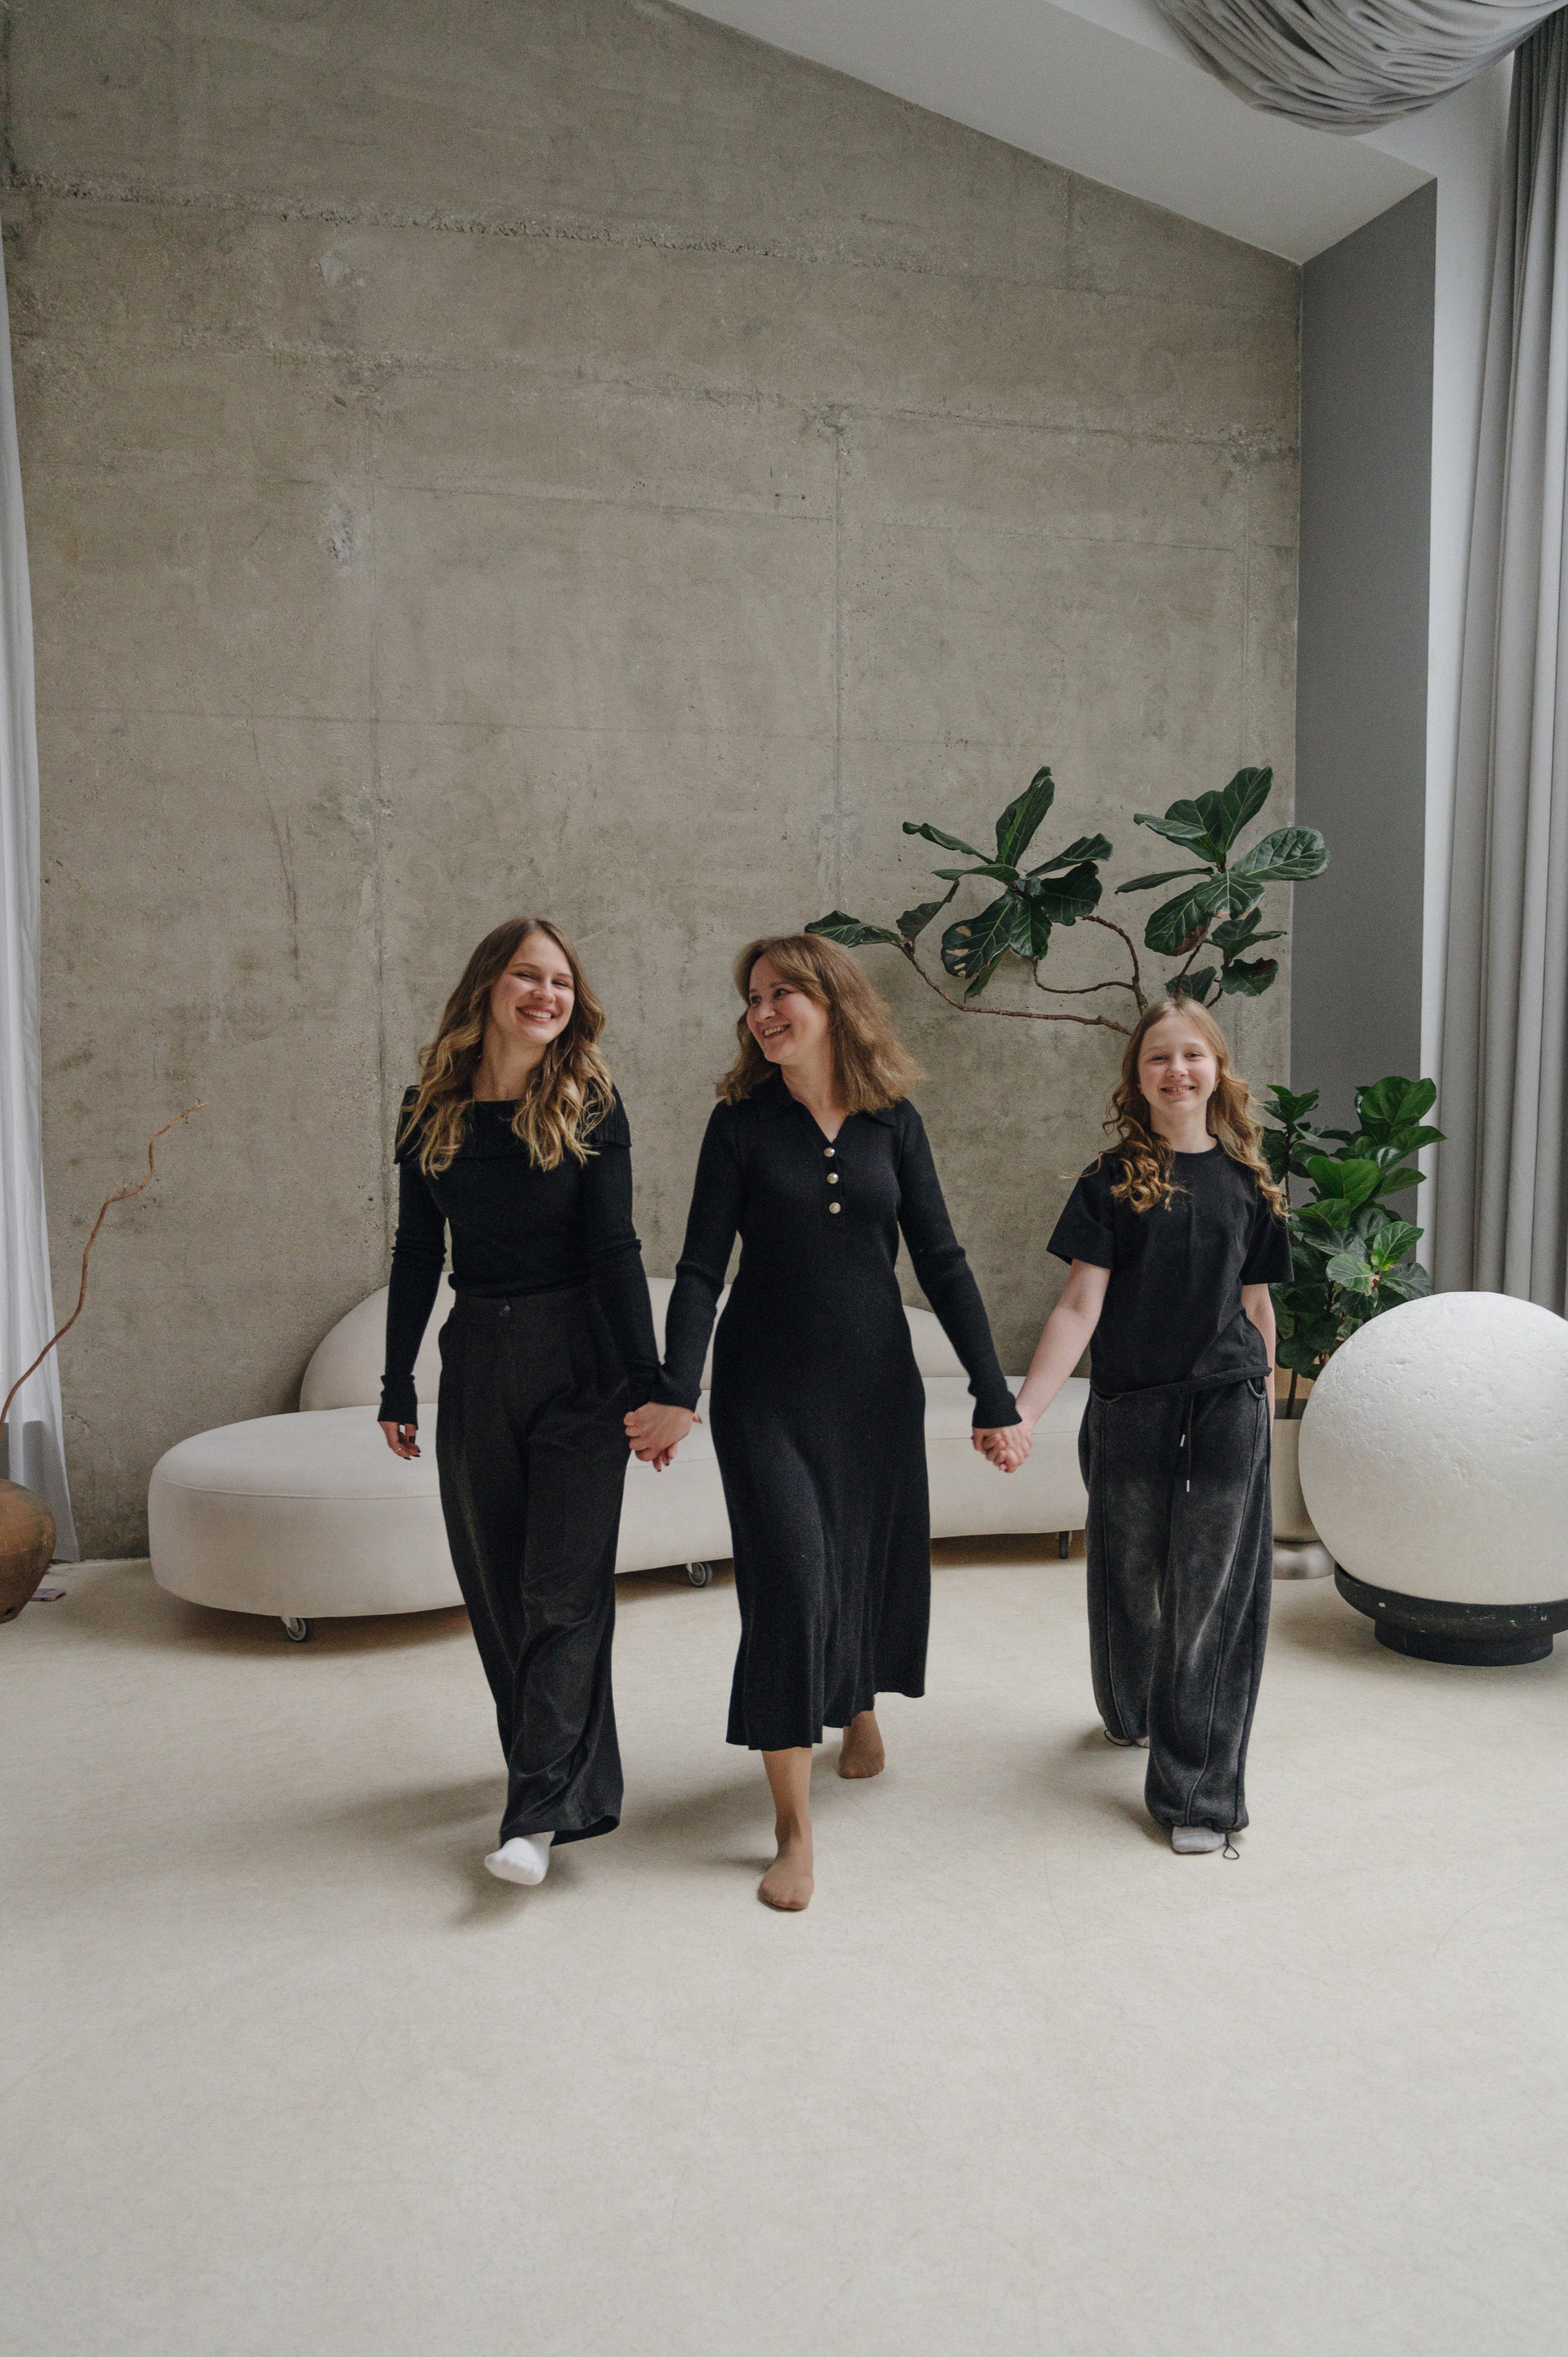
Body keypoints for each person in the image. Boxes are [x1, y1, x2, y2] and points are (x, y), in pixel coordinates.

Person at [625, 934, 1020, 1912]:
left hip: (876, 1389)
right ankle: (793, 1830)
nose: (761, 1013)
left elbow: (942, 1259)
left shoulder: (895, 1120)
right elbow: (702, 1267)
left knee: (864, 1563)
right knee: (793, 1587)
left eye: (781, 994)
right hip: (764, 1394)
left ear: (834, 1002)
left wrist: (992, 1391)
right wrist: (678, 1387)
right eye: (752, 998)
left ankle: (859, 1705)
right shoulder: (740, 1124)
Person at [379, 918, 661, 1888]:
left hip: (583, 1360)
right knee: (498, 1585)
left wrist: (652, 1382)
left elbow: (617, 1248)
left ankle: (535, 1816)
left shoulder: (591, 1101)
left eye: (562, 982)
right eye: (528, 976)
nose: (547, 995)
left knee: (562, 1590)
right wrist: (396, 1380)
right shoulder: (429, 1107)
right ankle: (554, 1778)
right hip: (478, 1358)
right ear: (487, 986)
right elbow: (418, 1251)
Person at [993, 996, 1292, 1853]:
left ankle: (1198, 1795)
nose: (1177, 1070)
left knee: (1212, 1597)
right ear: (1137, 1076)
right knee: (1129, 1575)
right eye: (1159, 1057)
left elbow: (1257, 1307)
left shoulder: (1250, 1183)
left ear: (1218, 1070)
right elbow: (1078, 1305)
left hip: (1228, 1403)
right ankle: (1131, 1708)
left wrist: (1265, 1410)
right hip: (1129, 1408)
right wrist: (1025, 1411)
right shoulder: (1111, 1179)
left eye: (1192, 1054)